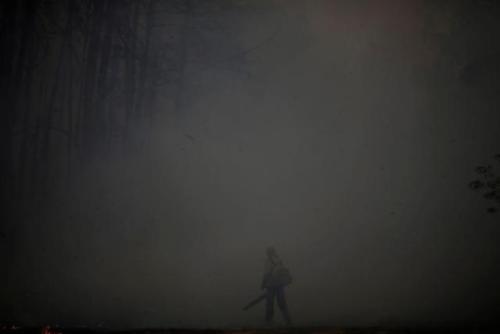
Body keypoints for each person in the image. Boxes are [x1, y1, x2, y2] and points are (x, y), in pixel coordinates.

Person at [261, 246, 292, 326]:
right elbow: (284, 271)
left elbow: (266, 274)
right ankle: (288, 320)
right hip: (279, 284)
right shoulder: (279, 260)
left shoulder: (268, 261)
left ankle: (269, 321)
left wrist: (263, 284)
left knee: (270, 304)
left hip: (271, 285)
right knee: (282, 303)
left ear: (268, 253)